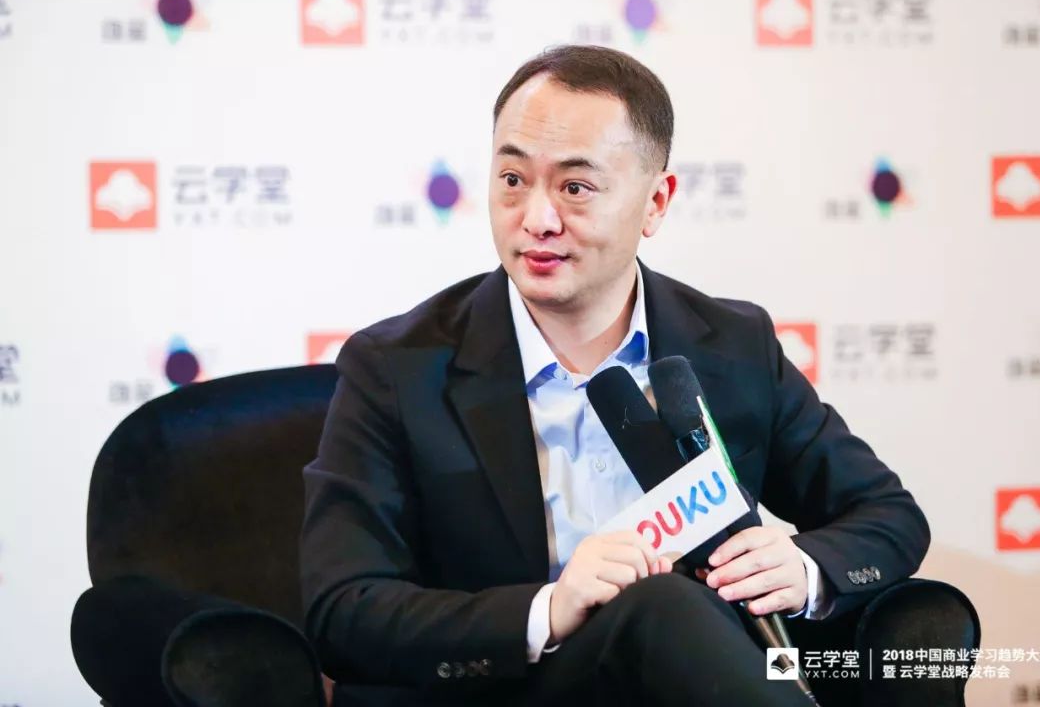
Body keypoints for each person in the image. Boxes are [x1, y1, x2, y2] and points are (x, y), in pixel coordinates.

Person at [300, 44, 930, 707]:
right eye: (512, 179)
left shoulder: (731, 346)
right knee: (662, 606)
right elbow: (342, 608)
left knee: (914, 622)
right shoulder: (397, 367)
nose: (537, 220)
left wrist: (803, 569)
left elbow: (888, 515)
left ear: (656, 202)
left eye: (575, 188)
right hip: (505, 693)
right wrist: (547, 609)